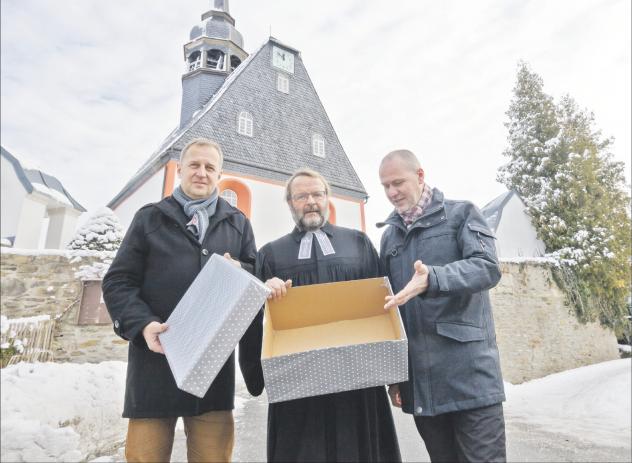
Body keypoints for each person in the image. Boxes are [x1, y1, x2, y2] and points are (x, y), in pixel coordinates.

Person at [102, 137, 262, 463]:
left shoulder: (238, 223)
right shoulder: (149, 218)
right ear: (180, 170)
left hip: (212, 373)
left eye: (209, 167)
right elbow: (118, 281)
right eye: (194, 165)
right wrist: (142, 324)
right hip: (154, 368)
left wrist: (240, 269)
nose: (201, 172)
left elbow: (255, 279)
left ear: (219, 175)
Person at [256, 168, 401, 463]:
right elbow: (258, 317)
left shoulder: (358, 243)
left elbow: (385, 308)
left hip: (358, 375)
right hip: (299, 380)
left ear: (327, 199)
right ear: (290, 203)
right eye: (301, 196)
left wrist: (394, 375)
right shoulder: (271, 254)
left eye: (317, 194)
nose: (310, 201)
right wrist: (262, 290)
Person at [378, 149, 506, 463]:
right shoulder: (389, 238)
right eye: (385, 186)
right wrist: (396, 375)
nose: (392, 192)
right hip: (423, 386)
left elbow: (487, 267)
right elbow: (390, 310)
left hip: (471, 379)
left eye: (398, 182)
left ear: (420, 176)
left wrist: (433, 278)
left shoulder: (461, 214)